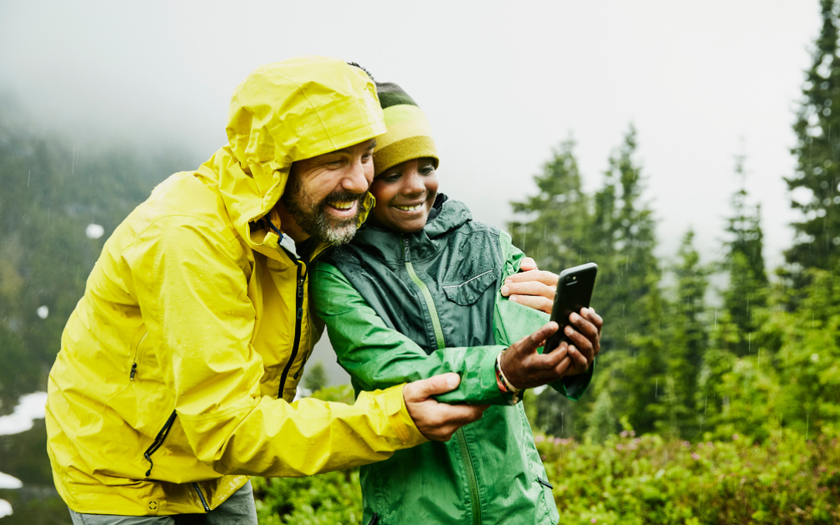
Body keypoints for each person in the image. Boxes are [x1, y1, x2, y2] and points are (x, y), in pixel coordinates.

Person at [44, 57, 509, 524]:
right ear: (276, 166)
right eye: (334, 161)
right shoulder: (188, 239)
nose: (358, 181)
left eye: (366, 155)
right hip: (123, 474)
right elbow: (226, 428)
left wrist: (514, 275)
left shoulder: (321, 212)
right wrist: (392, 420)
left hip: (220, 467)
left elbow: (423, 240)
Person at [311, 81, 603, 525]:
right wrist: (502, 372)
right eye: (392, 174)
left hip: (521, 510)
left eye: (426, 167)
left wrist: (568, 355)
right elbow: (393, 369)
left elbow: (530, 344)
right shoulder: (338, 273)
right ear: (367, 181)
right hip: (413, 513)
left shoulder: (487, 245)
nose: (415, 188)